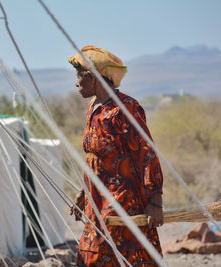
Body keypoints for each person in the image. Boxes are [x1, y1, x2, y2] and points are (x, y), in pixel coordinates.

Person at [68, 45, 164, 267]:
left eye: (79, 78)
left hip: (122, 199)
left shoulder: (125, 109)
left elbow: (146, 154)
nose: (76, 84)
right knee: (92, 255)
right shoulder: (94, 107)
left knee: (126, 253)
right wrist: (84, 192)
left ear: (92, 78)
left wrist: (155, 202)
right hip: (97, 197)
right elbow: (94, 156)